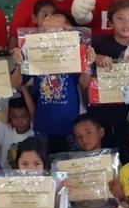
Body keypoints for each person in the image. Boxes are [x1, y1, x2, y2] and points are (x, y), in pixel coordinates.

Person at [17, 12, 95, 154]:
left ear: (70, 32)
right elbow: (15, 83)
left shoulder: (74, 54)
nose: (51, 35)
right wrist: (18, 63)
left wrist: (87, 64)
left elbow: (84, 83)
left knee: (71, 169)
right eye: (45, 31)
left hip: (72, 129)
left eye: (56, 30)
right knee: (45, 169)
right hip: (43, 129)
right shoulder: (34, 53)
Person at [91, 0, 129, 161]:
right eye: (120, 18)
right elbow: (83, 60)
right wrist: (95, 57)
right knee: (104, 155)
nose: (126, 23)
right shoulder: (98, 43)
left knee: (127, 154)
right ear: (110, 22)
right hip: (102, 112)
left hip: (128, 114)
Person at [67, 114, 120, 208]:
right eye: (79, 136)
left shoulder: (113, 161)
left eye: (88, 132)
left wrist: (118, 192)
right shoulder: (71, 163)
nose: (84, 139)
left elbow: (121, 198)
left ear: (101, 133)